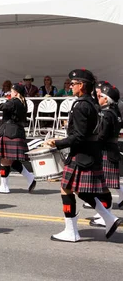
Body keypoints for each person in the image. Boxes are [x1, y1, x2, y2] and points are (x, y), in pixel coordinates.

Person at [46, 69, 121, 242]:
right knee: (80, 191)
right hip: (90, 153)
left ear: (81, 85)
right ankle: (109, 218)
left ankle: (71, 231)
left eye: (73, 84)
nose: (70, 86)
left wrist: (58, 143)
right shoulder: (93, 103)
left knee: (65, 189)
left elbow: (79, 136)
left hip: (81, 153)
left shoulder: (81, 105)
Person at [0, 84, 36, 194]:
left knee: (5, 160)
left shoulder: (13, 102)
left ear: (16, 92)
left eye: (11, 91)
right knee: (12, 160)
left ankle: (4, 186)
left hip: (10, 133)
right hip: (17, 131)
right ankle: (30, 178)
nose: (10, 93)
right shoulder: (23, 103)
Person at [88, 82, 123, 226]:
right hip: (111, 150)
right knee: (103, 186)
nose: (99, 98)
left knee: (103, 186)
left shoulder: (107, 114)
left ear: (107, 99)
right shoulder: (115, 112)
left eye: (101, 96)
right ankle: (104, 213)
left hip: (106, 152)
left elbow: (101, 136)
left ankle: (106, 215)